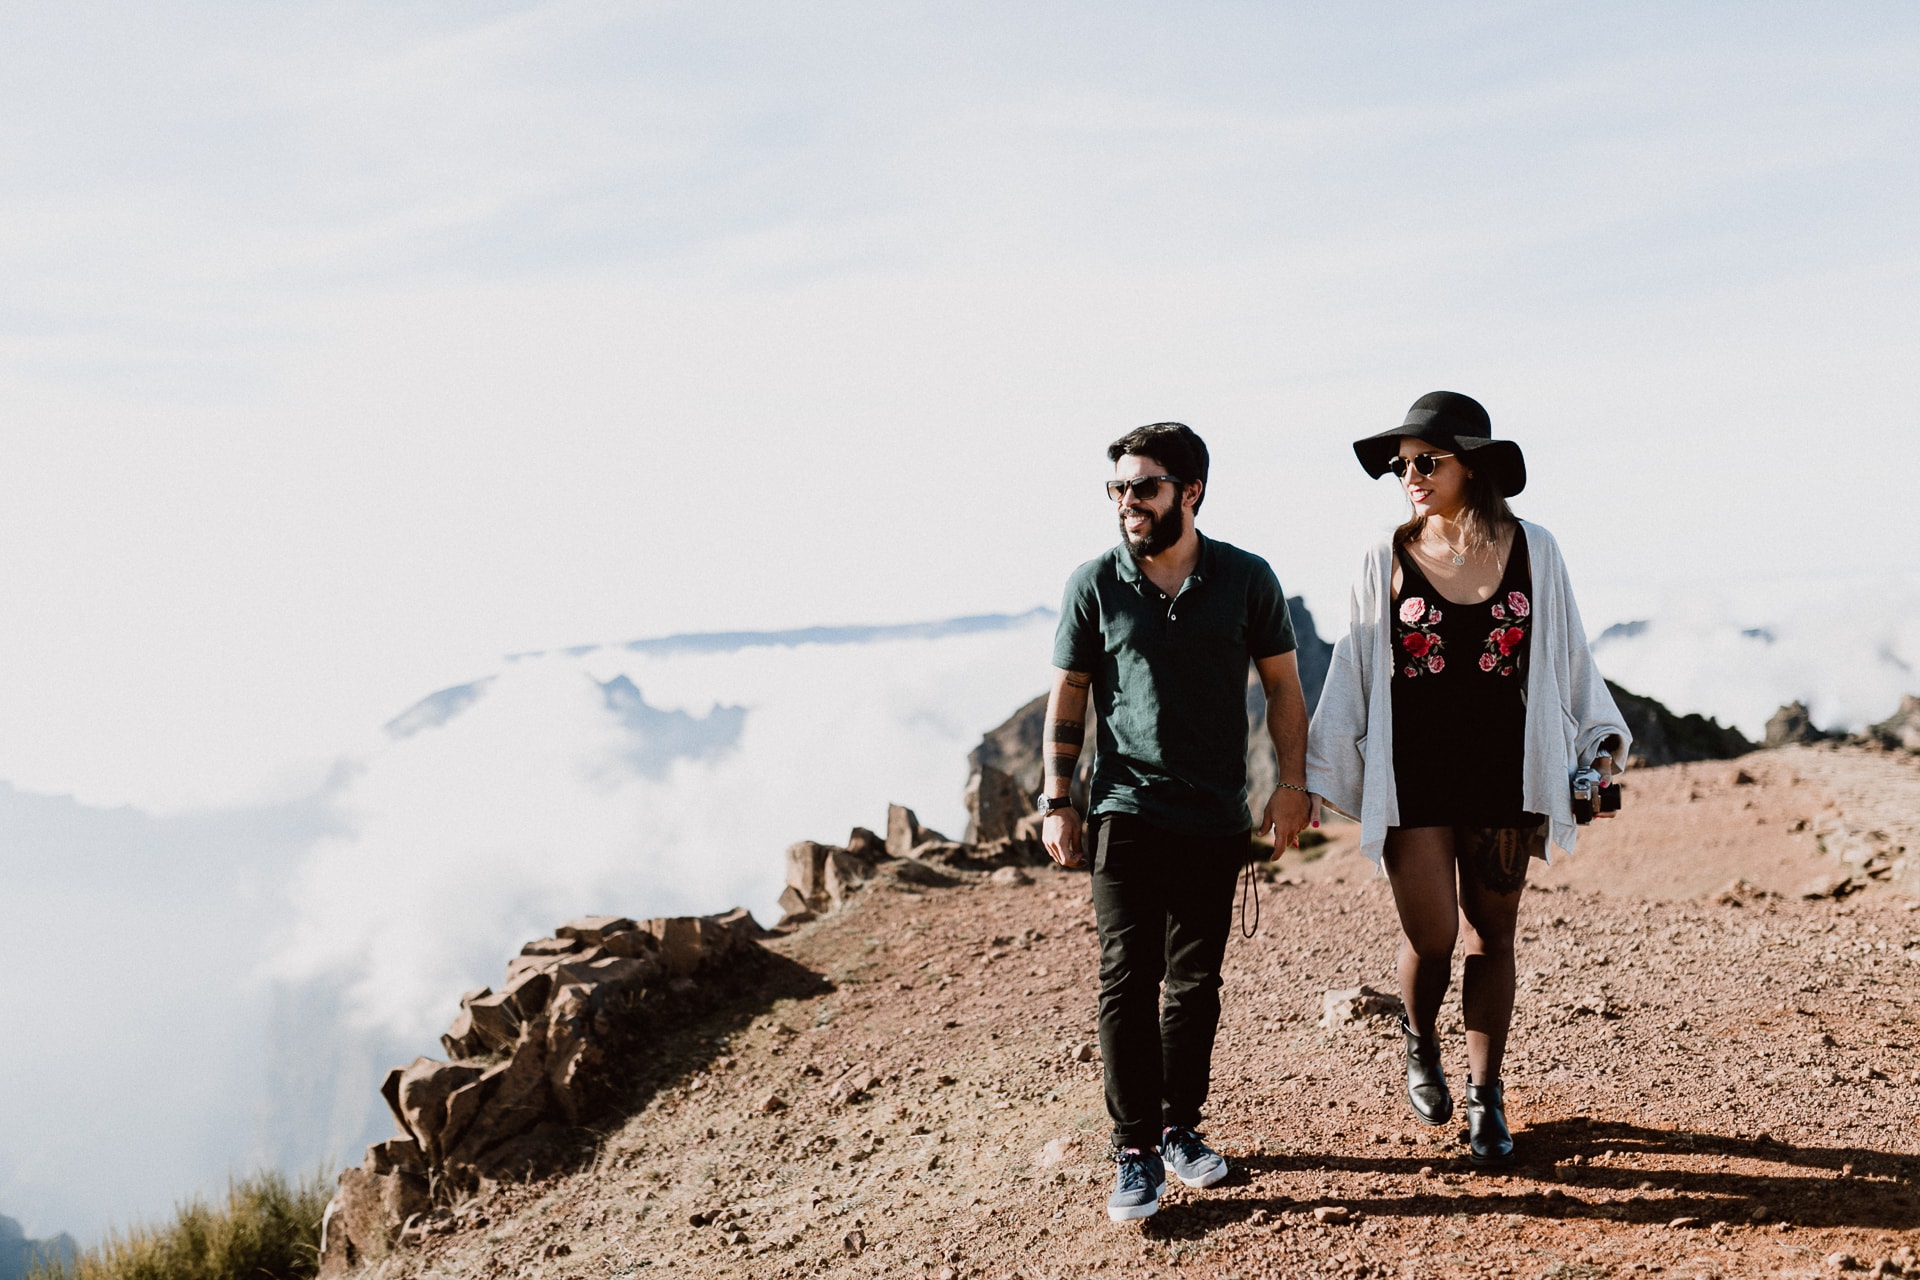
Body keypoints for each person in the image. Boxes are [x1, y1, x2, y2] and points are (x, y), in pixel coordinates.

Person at [1305, 391, 1630, 1165]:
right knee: (1433, 934)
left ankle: (1489, 1099)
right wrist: (1309, 776)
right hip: (1412, 777)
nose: (1408, 474)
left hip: (1505, 774)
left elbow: (1569, 653)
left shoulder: (1534, 548)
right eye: (1401, 464)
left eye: (1427, 460)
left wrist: (1600, 738)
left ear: (1471, 465)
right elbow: (1350, 672)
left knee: (1493, 934)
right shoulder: (1382, 557)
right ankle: (1421, 1044)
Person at [1041, 422, 1314, 1222]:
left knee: (1194, 986)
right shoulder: (1094, 583)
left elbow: (1285, 690)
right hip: (1124, 810)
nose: (1128, 502)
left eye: (1145, 487)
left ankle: (1178, 1128)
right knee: (1127, 977)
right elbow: (1070, 695)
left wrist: (1291, 785)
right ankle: (1133, 1150)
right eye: (1119, 488)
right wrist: (1059, 797)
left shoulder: (1246, 579)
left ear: (1190, 492)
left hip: (1212, 816)